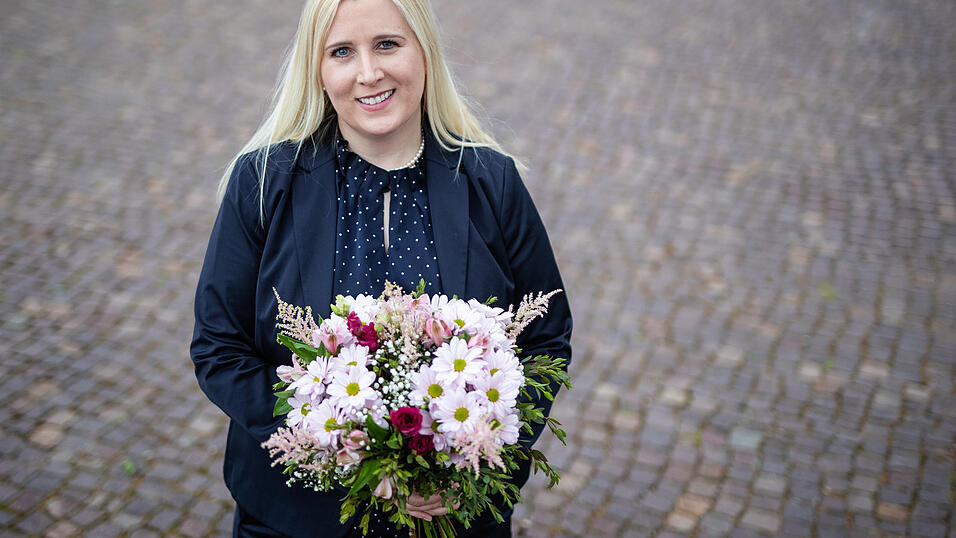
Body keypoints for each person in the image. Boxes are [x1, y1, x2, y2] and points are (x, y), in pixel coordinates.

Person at [189, 0, 572, 536]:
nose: (369, 73)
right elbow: (218, 347)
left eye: (387, 44)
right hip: (296, 521)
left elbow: (544, 338)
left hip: (457, 521)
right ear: (318, 71)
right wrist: (332, 443)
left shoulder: (493, 181)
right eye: (342, 51)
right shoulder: (262, 183)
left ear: (425, 53)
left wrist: (470, 455)